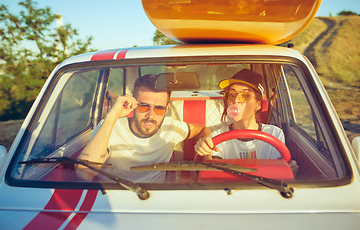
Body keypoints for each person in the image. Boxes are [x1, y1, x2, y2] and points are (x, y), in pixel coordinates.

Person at [77, 74, 210, 183]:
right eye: (144, 106)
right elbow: (84, 174)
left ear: (167, 108)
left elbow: (202, 129)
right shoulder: (110, 127)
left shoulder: (170, 128)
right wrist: (112, 115)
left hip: (154, 200)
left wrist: (205, 143)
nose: (150, 115)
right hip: (113, 199)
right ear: (134, 104)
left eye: (159, 108)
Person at [195, 69, 298, 173]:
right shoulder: (216, 137)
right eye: (231, 95)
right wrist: (206, 154)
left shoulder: (274, 134)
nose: (235, 100)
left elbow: (277, 174)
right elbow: (214, 176)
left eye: (245, 95)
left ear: (258, 104)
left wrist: (286, 169)